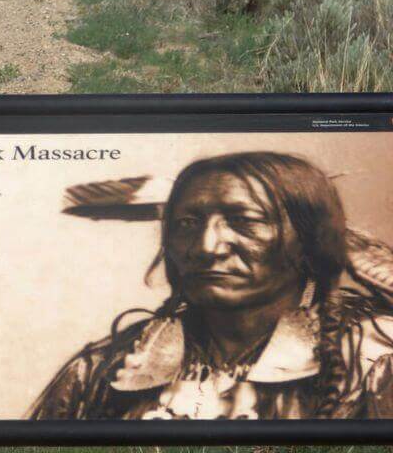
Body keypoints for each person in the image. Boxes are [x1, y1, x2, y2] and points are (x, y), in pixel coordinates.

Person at [31, 152, 393, 420]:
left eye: (244, 221)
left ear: (307, 241)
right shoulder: (105, 369)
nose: (207, 247)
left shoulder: (374, 358)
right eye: (187, 222)